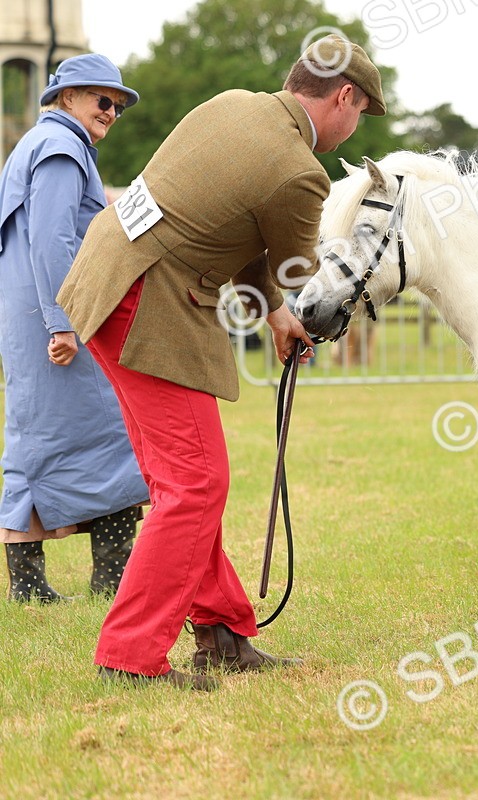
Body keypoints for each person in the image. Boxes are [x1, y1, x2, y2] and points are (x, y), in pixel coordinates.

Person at [57, 35, 387, 691]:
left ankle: (223, 631)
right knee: (197, 484)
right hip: (147, 303)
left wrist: (273, 314)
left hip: (105, 276)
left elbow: (224, 226)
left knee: (181, 479)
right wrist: (293, 306)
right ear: (343, 97)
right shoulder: (300, 172)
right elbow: (293, 268)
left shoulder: (233, 105)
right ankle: (130, 656)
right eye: (361, 113)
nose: (355, 129)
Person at [0, 54, 149, 603]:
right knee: (113, 432)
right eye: (101, 99)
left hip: (29, 315)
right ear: (67, 98)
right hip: (56, 317)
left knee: (36, 438)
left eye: (117, 104)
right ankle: (109, 580)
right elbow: (53, 240)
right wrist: (64, 323)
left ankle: (31, 586)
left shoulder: (39, 144)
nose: (111, 110)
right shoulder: (62, 148)